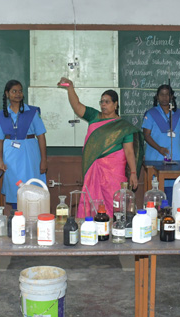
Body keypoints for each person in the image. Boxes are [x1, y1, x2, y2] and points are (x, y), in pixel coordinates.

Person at [58, 77, 144, 217]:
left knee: (114, 200)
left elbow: (129, 151)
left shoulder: (123, 127)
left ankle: (116, 225)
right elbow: (77, 106)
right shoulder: (94, 116)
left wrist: (133, 173)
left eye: (107, 102)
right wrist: (70, 88)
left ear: (115, 104)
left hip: (114, 171)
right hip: (94, 168)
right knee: (92, 199)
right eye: (101, 102)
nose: (103, 105)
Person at [0, 80, 47, 209]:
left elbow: (41, 136)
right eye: (14, 91)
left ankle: (34, 215)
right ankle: (16, 214)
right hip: (11, 156)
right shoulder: (1, 115)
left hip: (30, 153)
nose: (18, 94)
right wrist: (0, 161)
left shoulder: (32, 112)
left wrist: (44, 160)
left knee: (33, 185)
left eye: (20, 91)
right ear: (7, 94)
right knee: (14, 185)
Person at [142, 84, 180, 162]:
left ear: (171, 96)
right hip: (155, 157)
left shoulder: (178, 114)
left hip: (176, 157)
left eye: (167, 94)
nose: (164, 97)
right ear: (157, 97)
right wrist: (159, 148)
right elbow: (146, 135)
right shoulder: (151, 114)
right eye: (162, 94)